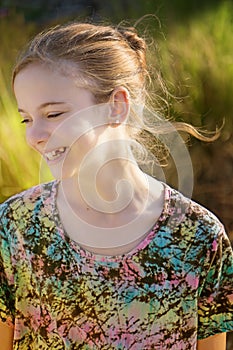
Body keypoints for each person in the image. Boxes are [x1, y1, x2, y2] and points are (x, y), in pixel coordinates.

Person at [0, 21, 232, 350]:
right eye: (26, 118)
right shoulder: (14, 230)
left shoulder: (199, 237)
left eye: (53, 114)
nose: (34, 135)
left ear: (116, 106)